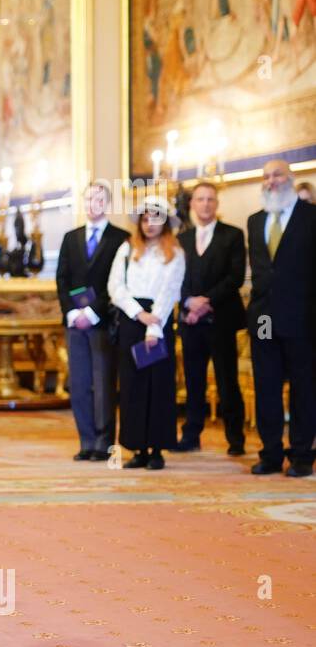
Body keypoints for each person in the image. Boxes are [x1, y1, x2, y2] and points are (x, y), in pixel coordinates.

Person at [246, 159, 316, 477]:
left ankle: (302, 455)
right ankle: (271, 453)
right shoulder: (254, 220)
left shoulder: (310, 217)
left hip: (301, 317)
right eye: (266, 177)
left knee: (304, 387)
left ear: (290, 178)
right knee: (267, 386)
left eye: (277, 175)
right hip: (264, 318)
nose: (271, 181)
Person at [55, 181, 130, 462]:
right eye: (88, 199)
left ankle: (103, 442)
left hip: (103, 322)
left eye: (98, 199)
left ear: (107, 203)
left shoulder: (121, 238)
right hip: (75, 324)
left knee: (103, 384)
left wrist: (93, 312)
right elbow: (62, 279)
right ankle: (85, 440)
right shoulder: (70, 238)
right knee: (79, 383)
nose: (92, 204)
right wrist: (72, 313)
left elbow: (119, 282)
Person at [109, 196, 186, 470]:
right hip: (132, 320)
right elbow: (115, 286)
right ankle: (137, 448)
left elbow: (170, 291)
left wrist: (154, 326)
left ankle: (156, 449)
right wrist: (137, 314)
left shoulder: (175, 253)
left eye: (155, 218)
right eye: (145, 219)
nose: (150, 224)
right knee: (132, 387)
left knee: (159, 387)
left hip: (160, 320)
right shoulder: (127, 249)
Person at [174, 181, 246, 455]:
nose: (205, 204)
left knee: (228, 381)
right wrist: (189, 303)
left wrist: (206, 302)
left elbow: (235, 277)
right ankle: (191, 435)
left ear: (217, 204)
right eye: (200, 199)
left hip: (222, 320)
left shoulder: (233, 235)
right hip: (191, 322)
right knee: (193, 381)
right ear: (192, 204)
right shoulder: (182, 239)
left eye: (210, 199)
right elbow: (175, 278)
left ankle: (235, 438)